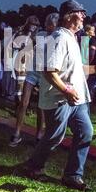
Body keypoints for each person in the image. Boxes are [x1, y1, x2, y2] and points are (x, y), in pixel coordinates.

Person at [23, 0, 96, 191]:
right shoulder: (59, 37)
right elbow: (49, 70)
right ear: (69, 15)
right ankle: (33, 166)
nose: (84, 16)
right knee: (54, 137)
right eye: (81, 12)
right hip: (60, 99)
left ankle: (72, 175)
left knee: (86, 132)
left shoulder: (71, 38)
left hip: (76, 99)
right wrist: (66, 90)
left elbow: (77, 69)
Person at [9, 13, 59, 147]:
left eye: (51, 25)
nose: (48, 27)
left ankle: (39, 135)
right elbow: (30, 47)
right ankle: (17, 133)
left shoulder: (58, 38)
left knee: (41, 107)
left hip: (45, 75)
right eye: (47, 24)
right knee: (23, 103)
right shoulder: (40, 34)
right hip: (32, 72)